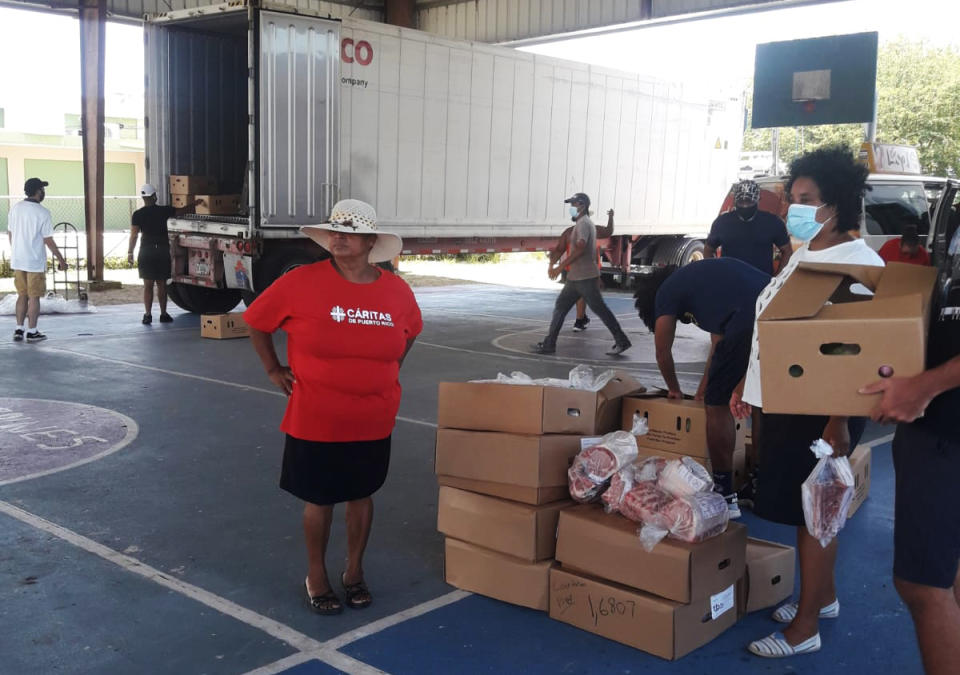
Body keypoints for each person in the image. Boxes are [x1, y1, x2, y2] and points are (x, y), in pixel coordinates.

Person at [729, 147, 884, 658]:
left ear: (836, 203)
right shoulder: (806, 250)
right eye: (793, 198)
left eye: (808, 199)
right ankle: (826, 597)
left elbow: (857, 353)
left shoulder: (859, 262)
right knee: (811, 513)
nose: (796, 208)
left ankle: (806, 627)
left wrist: (838, 420)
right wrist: (746, 385)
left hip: (821, 410)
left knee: (814, 518)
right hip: (785, 401)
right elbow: (777, 330)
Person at [244, 199, 421, 615]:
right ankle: (316, 575)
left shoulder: (396, 290)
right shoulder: (301, 281)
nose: (339, 238)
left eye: (350, 232)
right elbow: (256, 320)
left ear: (370, 242)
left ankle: (354, 572)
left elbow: (410, 332)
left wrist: (385, 371)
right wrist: (273, 369)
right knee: (319, 498)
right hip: (316, 415)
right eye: (334, 232)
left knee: (361, 495)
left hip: (373, 415)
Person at [858, 266, 960, 675]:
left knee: (923, 584)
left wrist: (926, 386)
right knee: (949, 573)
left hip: (946, 425)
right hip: (935, 424)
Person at [634, 258, 770, 517]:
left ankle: (724, 494)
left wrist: (673, 389)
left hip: (748, 319)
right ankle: (760, 485)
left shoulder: (666, 293)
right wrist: (702, 390)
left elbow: (662, 351)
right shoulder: (705, 286)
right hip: (777, 306)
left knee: (717, 408)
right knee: (760, 401)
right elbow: (719, 348)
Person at [532, 193, 631, 356]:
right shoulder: (578, 226)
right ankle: (549, 344)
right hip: (576, 277)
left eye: (573, 204)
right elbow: (560, 249)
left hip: (584, 277)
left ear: (582, 206)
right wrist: (552, 264)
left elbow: (580, 248)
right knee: (561, 307)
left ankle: (622, 341)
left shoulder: (584, 224)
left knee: (599, 309)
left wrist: (559, 267)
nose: (571, 208)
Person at [127, 184, 202, 324]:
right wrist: (197, 203)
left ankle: (148, 315)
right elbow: (182, 211)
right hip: (161, 251)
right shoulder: (164, 211)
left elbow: (134, 235)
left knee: (148, 285)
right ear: (154, 196)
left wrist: (130, 252)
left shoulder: (137, 214)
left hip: (146, 251)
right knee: (161, 284)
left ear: (143, 197)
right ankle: (163, 314)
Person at [8, 177, 67, 343]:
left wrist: (17, 251)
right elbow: (48, 240)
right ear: (38, 191)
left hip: (18, 260)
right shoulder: (43, 213)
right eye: (43, 189)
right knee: (34, 297)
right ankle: (32, 331)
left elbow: (10, 234)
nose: (44, 192)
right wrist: (61, 260)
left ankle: (19, 329)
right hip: (34, 262)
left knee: (22, 295)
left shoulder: (15, 208)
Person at [704, 179, 793, 276]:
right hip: (729, 281)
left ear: (758, 199)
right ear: (735, 201)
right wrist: (715, 272)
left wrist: (778, 277)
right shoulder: (722, 222)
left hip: (761, 283)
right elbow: (708, 249)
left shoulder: (772, 222)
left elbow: (787, 251)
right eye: (741, 202)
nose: (745, 205)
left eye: (749, 201)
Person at [548, 208, 615, 331]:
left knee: (577, 299)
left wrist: (552, 266)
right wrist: (611, 217)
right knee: (590, 300)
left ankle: (579, 321)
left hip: (574, 269)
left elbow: (558, 250)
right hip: (587, 270)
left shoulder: (569, 232)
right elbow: (608, 231)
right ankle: (580, 321)